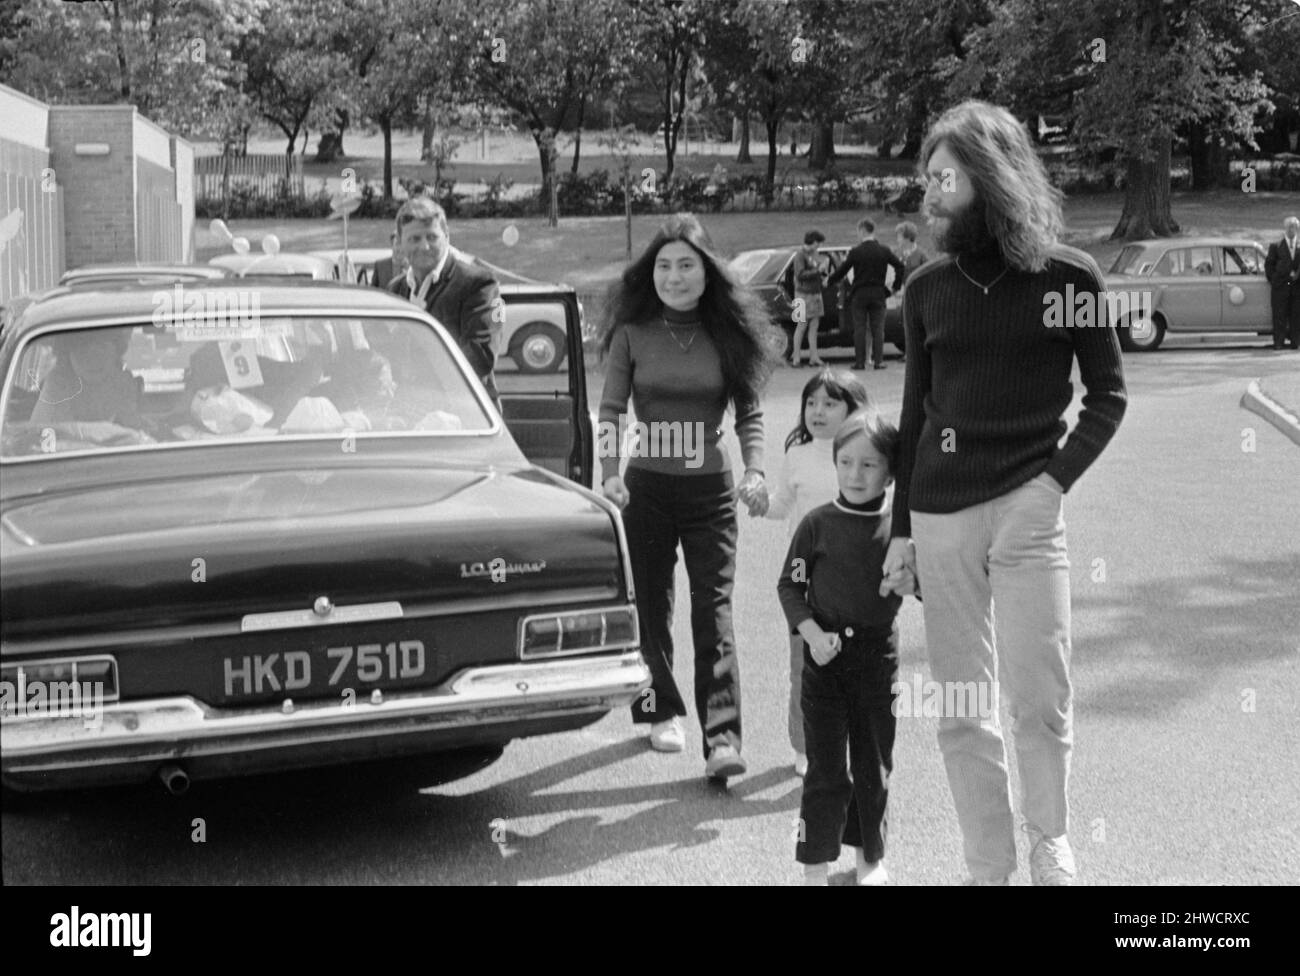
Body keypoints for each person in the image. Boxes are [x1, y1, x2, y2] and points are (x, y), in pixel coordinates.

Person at [881, 100, 1127, 886]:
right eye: (927, 179)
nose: (929, 195)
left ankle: (1050, 842)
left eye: (943, 179)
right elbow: (916, 414)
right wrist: (900, 532)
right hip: (940, 514)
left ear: (989, 179)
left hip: (1029, 507)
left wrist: (1051, 487)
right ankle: (988, 864)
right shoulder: (925, 290)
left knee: (1040, 695)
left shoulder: (1069, 276)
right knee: (961, 706)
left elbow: (1108, 398)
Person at [598, 212, 776, 781]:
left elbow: (749, 410)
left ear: (708, 272)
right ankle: (658, 712)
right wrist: (609, 474)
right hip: (645, 488)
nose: (674, 277)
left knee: (713, 610)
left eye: (687, 266)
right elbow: (610, 411)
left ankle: (723, 739)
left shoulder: (728, 333)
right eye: (664, 266)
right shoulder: (632, 332)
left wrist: (756, 471)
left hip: (710, 492)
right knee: (649, 605)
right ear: (651, 273)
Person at [777, 410, 907, 886]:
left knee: (873, 768)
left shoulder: (899, 530)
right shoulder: (816, 524)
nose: (855, 474)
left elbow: (924, 585)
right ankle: (815, 866)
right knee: (826, 771)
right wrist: (811, 633)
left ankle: (869, 862)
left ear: (891, 473)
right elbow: (790, 588)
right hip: (824, 665)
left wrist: (912, 578)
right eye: (846, 462)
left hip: (877, 663)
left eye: (869, 465)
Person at [762, 368, 871, 776]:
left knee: (853, 667)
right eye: (811, 402)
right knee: (805, 670)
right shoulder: (797, 455)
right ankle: (805, 748)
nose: (818, 411)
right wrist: (758, 502)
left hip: (854, 578)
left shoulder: (866, 455)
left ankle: (850, 744)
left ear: (854, 410)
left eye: (830, 403)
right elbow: (781, 505)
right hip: (804, 579)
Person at [387, 197, 504, 404]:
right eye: (414, 239)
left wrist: (421, 386)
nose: (424, 247)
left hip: (467, 413)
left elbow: (481, 357)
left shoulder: (478, 284)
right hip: (407, 410)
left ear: (447, 237)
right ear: (400, 243)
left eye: (432, 237)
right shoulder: (395, 289)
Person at [827, 217, 906, 371]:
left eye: (858, 232)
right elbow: (900, 267)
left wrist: (829, 281)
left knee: (860, 328)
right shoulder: (884, 250)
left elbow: (842, 270)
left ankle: (860, 362)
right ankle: (878, 361)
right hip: (879, 293)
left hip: (860, 294)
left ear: (862, 230)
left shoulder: (856, 252)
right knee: (878, 328)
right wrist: (894, 288)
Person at [789, 231, 828, 367]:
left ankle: (814, 356)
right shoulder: (800, 255)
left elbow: (816, 270)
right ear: (812, 241)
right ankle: (796, 358)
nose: (819, 246)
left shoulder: (814, 255)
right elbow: (800, 274)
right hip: (802, 294)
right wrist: (818, 270)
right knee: (801, 325)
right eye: (818, 243)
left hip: (815, 293)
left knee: (814, 325)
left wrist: (823, 271)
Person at [1264, 215, 1300, 350]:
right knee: (1279, 315)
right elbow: (1269, 266)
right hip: (1280, 287)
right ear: (1285, 229)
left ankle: (1295, 342)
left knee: (1296, 316)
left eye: (1294, 227)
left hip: (1296, 287)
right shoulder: (1276, 246)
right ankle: (1278, 343)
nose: (1292, 230)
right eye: (1289, 227)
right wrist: (1274, 281)